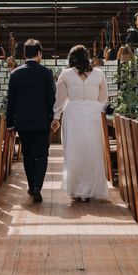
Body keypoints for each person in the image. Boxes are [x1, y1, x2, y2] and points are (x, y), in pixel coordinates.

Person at [52, 45, 109, 202]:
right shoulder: (98, 74)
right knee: (93, 150)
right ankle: (90, 189)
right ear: (87, 57)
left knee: (74, 150)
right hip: (94, 114)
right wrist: (95, 107)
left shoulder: (66, 74)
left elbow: (60, 99)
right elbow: (104, 98)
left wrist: (56, 117)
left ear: (71, 58)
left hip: (73, 114)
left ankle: (77, 189)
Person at [6, 39, 55, 203]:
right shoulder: (46, 73)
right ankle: (36, 187)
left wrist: (9, 123)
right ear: (39, 54)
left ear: (24, 54)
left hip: (23, 123)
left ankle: (31, 184)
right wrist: (53, 119)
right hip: (42, 122)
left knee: (27, 154)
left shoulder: (15, 74)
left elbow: (10, 101)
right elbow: (51, 99)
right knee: (42, 155)